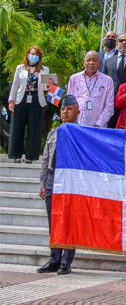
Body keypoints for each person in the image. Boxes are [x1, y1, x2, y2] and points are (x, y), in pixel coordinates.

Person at [37, 95, 80, 275]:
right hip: (52, 179)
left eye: (69, 109)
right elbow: (46, 158)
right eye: (63, 109)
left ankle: (66, 262)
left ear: (77, 112)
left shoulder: (82, 133)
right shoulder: (53, 133)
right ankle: (54, 259)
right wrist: (42, 181)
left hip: (70, 181)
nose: (65, 112)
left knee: (69, 222)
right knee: (53, 221)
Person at [8, 47, 50, 163]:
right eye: (32, 54)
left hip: (37, 100)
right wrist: (11, 100)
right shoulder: (20, 68)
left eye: (37, 55)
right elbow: (15, 85)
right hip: (21, 99)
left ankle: (30, 157)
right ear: (27, 55)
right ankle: (16, 155)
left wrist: (48, 85)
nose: (34, 56)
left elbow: (44, 88)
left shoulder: (44, 69)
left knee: (34, 129)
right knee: (17, 127)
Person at [102, 33, 126, 128]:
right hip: (110, 102)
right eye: (121, 40)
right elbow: (103, 82)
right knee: (109, 131)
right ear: (116, 44)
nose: (124, 42)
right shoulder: (108, 61)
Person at [67, 51, 115, 128]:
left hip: (98, 128)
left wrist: (99, 124)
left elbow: (109, 107)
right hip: (76, 126)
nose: (91, 63)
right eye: (88, 60)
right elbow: (69, 104)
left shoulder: (107, 81)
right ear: (83, 62)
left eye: (94, 60)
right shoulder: (74, 79)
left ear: (99, 63)